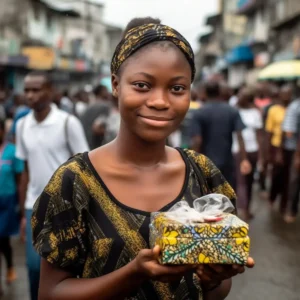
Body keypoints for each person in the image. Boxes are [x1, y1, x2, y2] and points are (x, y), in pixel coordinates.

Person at [31, 18, 254, 300]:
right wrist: (134, 273)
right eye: (142, 85)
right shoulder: (75, 182)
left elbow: (215, 291)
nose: (160, 101)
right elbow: (50, 293)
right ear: (115, 85)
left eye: (177, 89)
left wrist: (212, 278)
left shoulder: (203, 173)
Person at [15, 71, 89, 300]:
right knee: (34, 267)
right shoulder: (22, 125)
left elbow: (85, 167)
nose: (30, 95)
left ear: (51, 92)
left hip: (65, 209)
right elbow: (25, 169)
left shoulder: (68, 123)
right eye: (27, 90)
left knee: (65, 269)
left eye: (36, 90)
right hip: (33, 205)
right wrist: (23, 213)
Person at [191, 81, 251, 189]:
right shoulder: (232, 111)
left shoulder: (199, 113)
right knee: (227, 194)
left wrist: (193, 163)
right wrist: (244, 159)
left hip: (206, 163)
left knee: (208, 196)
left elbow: (197, 140)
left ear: (204, 93)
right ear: (219, 92)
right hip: (227, 162)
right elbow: (240, 136)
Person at [0, 119, 24, 295]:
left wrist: (19, 204)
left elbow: (19, 178)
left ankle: (9, 267)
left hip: (7, 201)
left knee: (3, 239)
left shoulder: (12, 152)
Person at [232, 87, 263, 220]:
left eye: (242, 97)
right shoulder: (234, 111)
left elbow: (259, 134)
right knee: (241, 181)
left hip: (253, 150)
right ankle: (242, 209)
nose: (239, 98)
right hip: (237, 150)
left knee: (250, 182)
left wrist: (261, 155)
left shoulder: (255, 113)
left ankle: (247, 207)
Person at [265, 85, 292, 214]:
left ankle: (284, 204)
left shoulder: (292, 109)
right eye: (285, 93)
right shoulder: (273, 110)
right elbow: (269, 131)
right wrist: (269, 152)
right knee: (276, 175)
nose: (287, 96)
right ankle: (272, 197)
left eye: (289, 94)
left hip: (289, 147)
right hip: (276, 146)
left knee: (288, 177)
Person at [282, 96, 300, 223]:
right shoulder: (295, 106)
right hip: (296, 150)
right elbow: (289, 132)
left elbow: (288, 131)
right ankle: (291, 209)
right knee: (294, 179)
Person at [80, 84, 111, 149]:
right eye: (106, 90)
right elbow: (98, 128)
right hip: (98, 144)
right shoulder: (104, 106)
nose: (108, 92)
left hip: (87, 141)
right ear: (101, 92)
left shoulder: (88, 106)